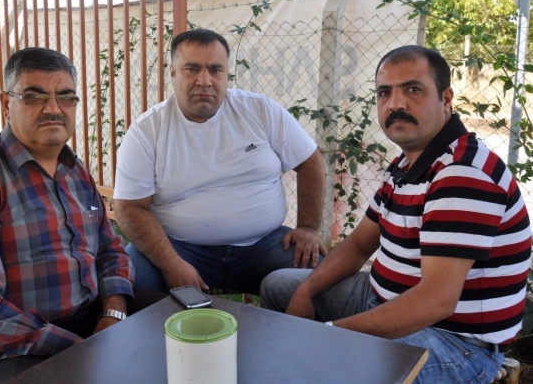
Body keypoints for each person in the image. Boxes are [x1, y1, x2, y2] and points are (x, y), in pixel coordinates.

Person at [260, 45, 532, 383]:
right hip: (381, 298)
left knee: (332, 371)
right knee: (280, 287)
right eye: (384, 93)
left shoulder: (462, 173)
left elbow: (436, 302)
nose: (396, 104)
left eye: (413, 90)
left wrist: (329, 336)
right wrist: (307, 290)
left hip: (454, 340)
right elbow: (359, 244)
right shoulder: (407, 163)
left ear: (446, 99)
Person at [0, 47, 135, 384]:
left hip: (90, 319)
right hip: (3, 348)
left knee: (174, 329)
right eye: (34, 97)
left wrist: (113, 313)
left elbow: (110, 250)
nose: (53, 109)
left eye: (65, 97)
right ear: (7, 104)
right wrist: (78, 349)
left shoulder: (74, 170)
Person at [113, 28, 326, 295]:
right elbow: (129, 208)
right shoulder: (147, 130)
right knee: (133, 279)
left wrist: (307, 227)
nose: (205, 81)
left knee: (322, 277)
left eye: (215, 70)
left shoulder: (260, 110)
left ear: (227, 74)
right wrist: (171, 264)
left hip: (264, 246)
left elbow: (310, 161)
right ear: (172, 72)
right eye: (192, 69)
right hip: (180, 249)